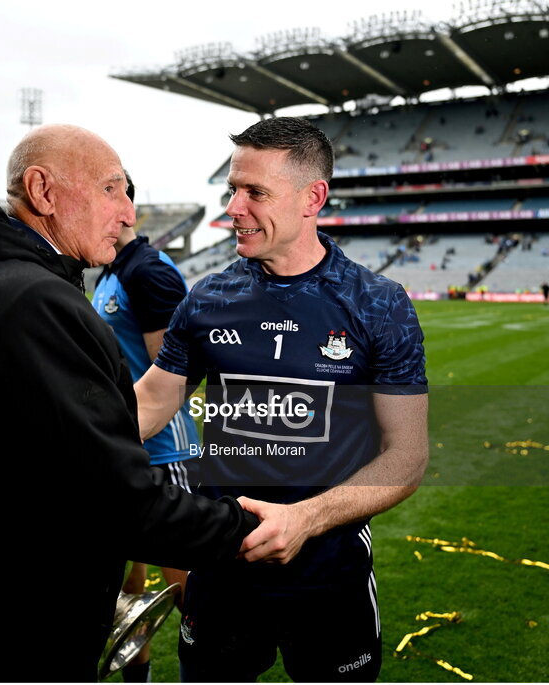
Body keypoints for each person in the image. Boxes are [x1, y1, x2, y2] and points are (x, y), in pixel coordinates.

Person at [0, 124, 258, 682]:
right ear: (43, 191)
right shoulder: (29, 295)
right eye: (113, 189)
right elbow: (115, 498)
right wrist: (248, 527)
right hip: (1, 636)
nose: (129, 213)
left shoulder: (1, 280)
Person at [135, 117, 429, 682]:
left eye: (255, 193)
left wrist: (306, 519)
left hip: (329, 572)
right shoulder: (208, 297)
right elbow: (152, 401)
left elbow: (407, 456)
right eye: (231, 191)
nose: (233, 209)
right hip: (220, 565)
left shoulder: (377, 305)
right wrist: (59, 437)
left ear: (311, 198)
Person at [91, 172, 198, 683]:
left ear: (122, 204)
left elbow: (173, 375)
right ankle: (139, 674)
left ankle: (211, 666)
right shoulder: (110, 267)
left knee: (186, 583)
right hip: (119, 444)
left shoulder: (149, 272)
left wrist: (137, 425)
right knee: (125, 576)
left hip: (162, 450)